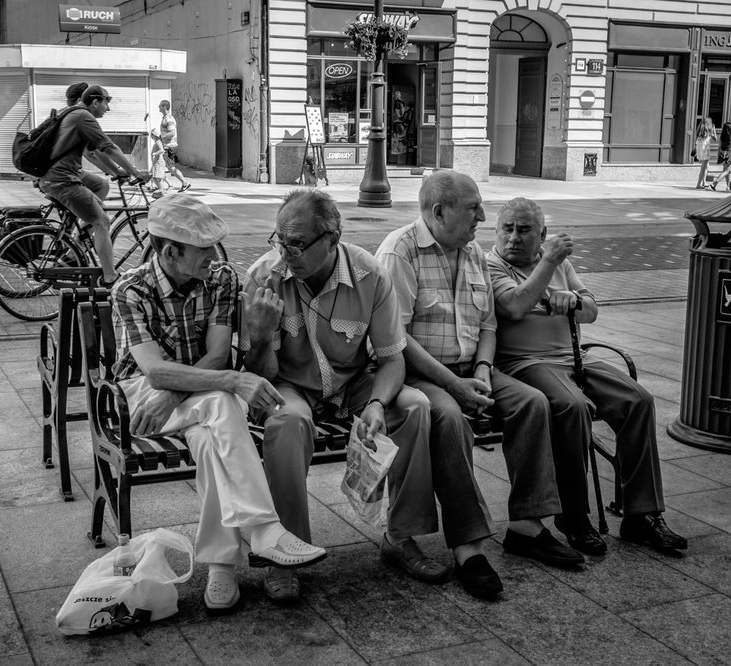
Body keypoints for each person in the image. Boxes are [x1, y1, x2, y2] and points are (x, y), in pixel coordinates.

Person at [111, 193, 327, 613]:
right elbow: (153, 371)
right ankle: (264, 530)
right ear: (170, 252)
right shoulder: (130, 289)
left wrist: (183, 390)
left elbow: (215, 356)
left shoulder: (222, 278)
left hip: (192, 396)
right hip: (143, 398)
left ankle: (222, 565)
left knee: (212, 440)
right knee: (224, 401)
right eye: (204, 248)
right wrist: (230, 381)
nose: (215, 256)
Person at [244, 188, 455, 604]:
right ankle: (283, 552)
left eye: (297, 242)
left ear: (332, 239)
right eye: (279, 239)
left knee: (415, 406)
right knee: (287, 422)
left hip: (353, 380)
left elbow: (392, 359)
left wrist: (376, 403)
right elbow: (258, 376)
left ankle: (401, 536)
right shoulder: (262, 278)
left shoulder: (369, 275)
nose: (285, 252)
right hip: (289, 384)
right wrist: (262, 335)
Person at [375, 171, 584, 583]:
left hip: (473, 368)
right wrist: (453, 384)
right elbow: (395, 339)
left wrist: (484, 369)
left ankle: (527, 526)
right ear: (439, 212)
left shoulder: (471, 251)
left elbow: (488, 324)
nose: (483, 218)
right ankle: (468, 545)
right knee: (450, 417)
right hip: (420, 375)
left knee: (531, 402)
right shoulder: (400, 252)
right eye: (473, 208)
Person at [486, 197, 688, 556]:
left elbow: (591, 309)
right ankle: (573, 515)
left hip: (575, 357)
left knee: (638, 400)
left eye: (524, 230)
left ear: (542, 234)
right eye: (507, 229)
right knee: (572, 405)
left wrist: (574, 300)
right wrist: (549, 264)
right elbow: (515, 305)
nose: (513, 237)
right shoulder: (492, 265)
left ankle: (642, 514)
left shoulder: (560, 264)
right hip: (525, 362)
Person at [38, 84, 149, 287]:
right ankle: (110, 277)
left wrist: (117, 172)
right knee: (102, 221)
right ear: (95, 102)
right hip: (63, 179)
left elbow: (94, 151)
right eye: (106, 103)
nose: (108, 108)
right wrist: (135, 172)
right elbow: (109, 147)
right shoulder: (83, 117)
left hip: (57, 176)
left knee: (101, 188)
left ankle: (76, 247)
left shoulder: (74, 114)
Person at [158, 100, 190, 192]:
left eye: (160, 106)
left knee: (170, 167)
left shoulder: (168, 119)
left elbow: (172, 133)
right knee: (165, 166)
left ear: (164, 107)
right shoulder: (165, 118)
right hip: (168, 146)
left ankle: (184, 183)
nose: (158, 107)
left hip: (169, 146)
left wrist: (162, 137)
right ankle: (163, 185)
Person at [709, 121, 731, 192]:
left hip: (722, 153)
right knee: (727, 171)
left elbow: (719, 146)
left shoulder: (722, 136)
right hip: (729, 154)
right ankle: (715, 182)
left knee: (728, 171)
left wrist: (718, 154)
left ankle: (728, 187)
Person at [693, 117, 716, 189]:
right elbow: (715, 138)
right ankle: (698, 184)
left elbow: (697, 141)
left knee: (705, 166)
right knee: (703, 168)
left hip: (700, 149)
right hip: (705, 150)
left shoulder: (700, 131)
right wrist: (713, 131)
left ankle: (703, 181)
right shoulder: (710, 131)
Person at [148, 128, 170, 196]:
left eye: (151, 135)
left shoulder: (158, 141)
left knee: (158, 177)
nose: (150, 137)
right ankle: (161, 190)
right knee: (153, 177)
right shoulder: (157, 141)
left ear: (153, 135)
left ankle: (161, 191)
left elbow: (162, 150)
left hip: (159, 161)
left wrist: (155, 154)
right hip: (156, 162)